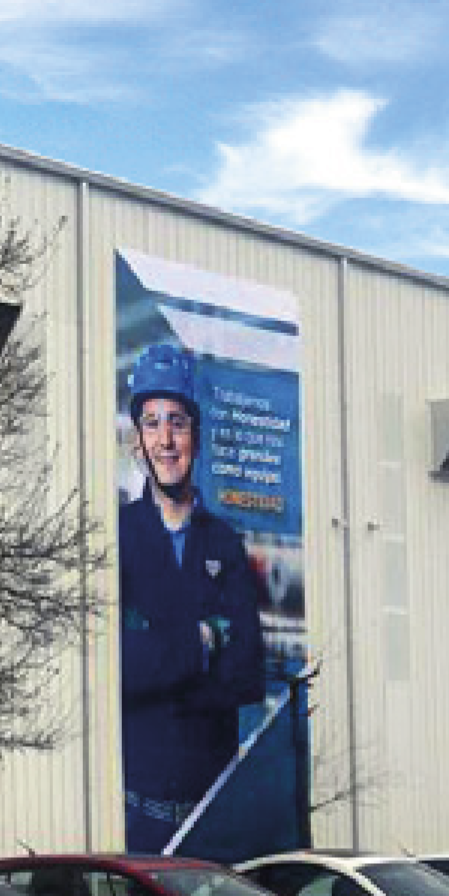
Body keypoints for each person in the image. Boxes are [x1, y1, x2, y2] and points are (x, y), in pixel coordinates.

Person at [118, 343, 266, 853]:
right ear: (137, 440)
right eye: (153, 423)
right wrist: (205, 641)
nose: (166, 440)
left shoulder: (224, 543)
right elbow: (119, 669)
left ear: (196, 436)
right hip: (138, 819)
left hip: (211, 820)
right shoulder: (117, 541)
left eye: (177, 423)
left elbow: (247, 673)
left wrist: (159, 655)